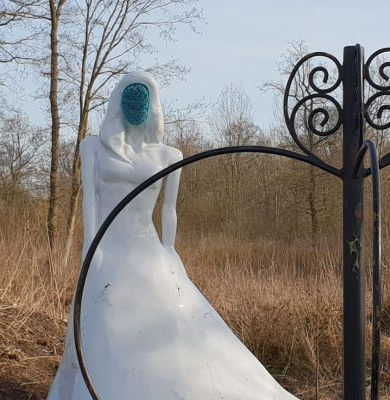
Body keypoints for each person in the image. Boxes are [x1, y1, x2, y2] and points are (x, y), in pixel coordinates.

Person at [47, 71, 297, 399]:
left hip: (147, 249)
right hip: (106, 251)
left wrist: (170, 249)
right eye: (130, 100)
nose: (136, 107)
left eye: (142, 101)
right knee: (103, 323)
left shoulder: (169, 156)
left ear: (152, 107)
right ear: (119, 104)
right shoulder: (92, 147)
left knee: (171, 327)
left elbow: (169, 210)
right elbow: (89, 202)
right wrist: (89, 249)